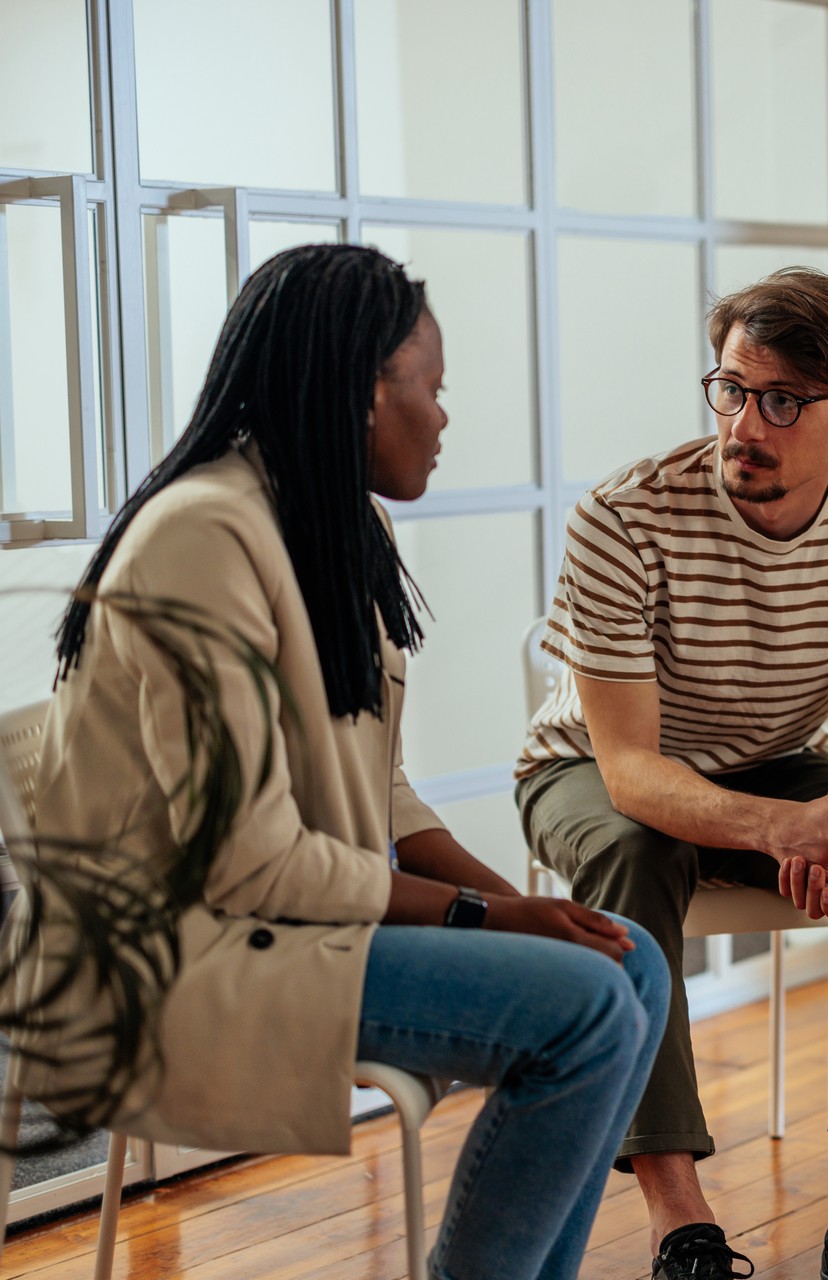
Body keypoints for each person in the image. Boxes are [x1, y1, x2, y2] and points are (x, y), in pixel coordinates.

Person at [9, 244, 670, 1280]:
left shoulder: (334, 520)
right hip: (182, 956)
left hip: (291, 923)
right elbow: (249, 859)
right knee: (584, 1010)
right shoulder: (199, 537)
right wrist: (491, 918)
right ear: (366, 390)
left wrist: (532, 910)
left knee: (631, 961)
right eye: (431, 387)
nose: (443, 418)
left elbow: (381, 790)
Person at [515, 268, 828, 1279]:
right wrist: (778, 829)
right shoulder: (623, 517)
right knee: (635, 849)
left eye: (783, 401)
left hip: (780, 763)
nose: (745, 425)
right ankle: (681, 1224)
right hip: (590, 769)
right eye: (731, 389)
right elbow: (630, 770)